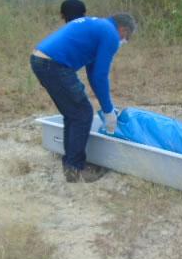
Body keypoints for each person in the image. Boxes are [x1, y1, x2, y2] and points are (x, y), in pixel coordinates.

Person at [31, 13, 136, 182]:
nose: (124, 41)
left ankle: (71, 165)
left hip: (41, 60)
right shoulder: (110, 34)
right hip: (54, 65)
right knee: (82, 114)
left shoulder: (99, 26)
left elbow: (93, 74)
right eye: (126, 37)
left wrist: (107, 107)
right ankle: (76, 169)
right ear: (123, 29)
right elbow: (101, 76)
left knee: (74, 113)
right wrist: (108, 111)